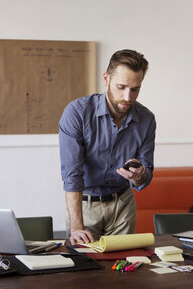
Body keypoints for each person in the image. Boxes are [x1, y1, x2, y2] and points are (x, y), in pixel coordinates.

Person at [59, 49, 156, 245]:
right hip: (85, 207)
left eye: (135, 89)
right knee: (87, 271)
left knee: (122, 269)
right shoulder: (77, 113)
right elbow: (72, 174)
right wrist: (77, 226)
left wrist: (139, 175)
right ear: (106, 78)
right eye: (121, 87)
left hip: (123, 205)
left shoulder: (147, 119)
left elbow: (147, 172)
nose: (128, 97)